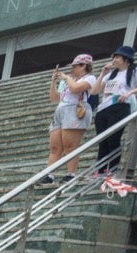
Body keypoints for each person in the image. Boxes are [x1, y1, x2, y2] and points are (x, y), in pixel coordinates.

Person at [93, 46, 137, 175]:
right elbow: (95, 91)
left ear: (126, 59)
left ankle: (112, 169)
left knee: (113, 138)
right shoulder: (111, 74)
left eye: (118, 57)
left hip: (120, 106)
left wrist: (130, 93)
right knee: (102, 141)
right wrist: (103, 73)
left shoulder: (134, 70)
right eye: (114, 57)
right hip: (104, 109)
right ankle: (100, 170)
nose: (115, 59)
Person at [44, 54, 96, 184]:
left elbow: (76, 88)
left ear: (84, 66)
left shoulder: (90, 78)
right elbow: (55, 98)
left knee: (70, 146)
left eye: (75, 66)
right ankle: (50, 175)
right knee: (55, 147)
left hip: (75, 109)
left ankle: (71, 174)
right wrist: (54, 81)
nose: (72, 69)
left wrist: (66, 78)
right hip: (61, 110)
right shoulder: (68, 80)